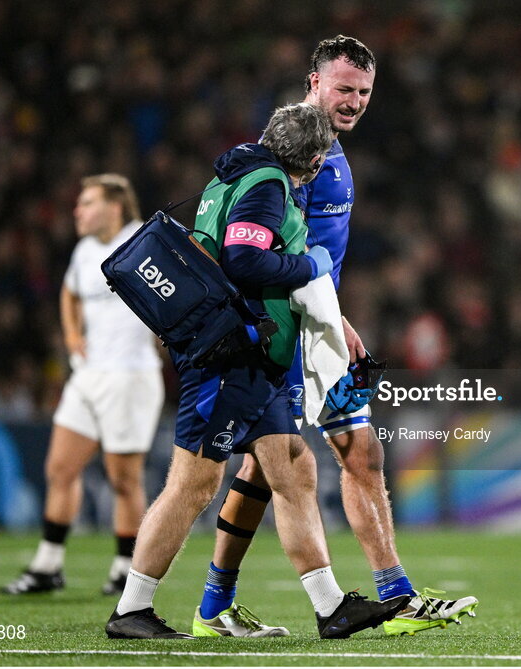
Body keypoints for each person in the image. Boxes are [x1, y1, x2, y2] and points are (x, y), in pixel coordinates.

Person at [191, 36, 477, 640]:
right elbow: (274, 252)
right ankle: (223, 603)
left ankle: (390, 595)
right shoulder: (288, 159)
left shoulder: (330, 153)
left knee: (349, 455)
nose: (354, 101)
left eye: (365, 92)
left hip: (318, 324)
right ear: (313, 82)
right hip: (288, 330)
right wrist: (316, 314)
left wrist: (336, 316)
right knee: (277, 468)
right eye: (344, 88)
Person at [105, 102, 410, 640]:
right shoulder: (268, 184)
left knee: (294, 469)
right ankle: (131, 608)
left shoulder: (235, 176)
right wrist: (310, 264)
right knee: (193, 485)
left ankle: (330, 607)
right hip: (229, 358)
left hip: (252, 357)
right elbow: (244, 260)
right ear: (314, 160)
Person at [2, 174, 163, 595]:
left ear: (115, 207)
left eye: (88, 202)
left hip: (130, 375)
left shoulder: (145, 241)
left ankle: (126, 567)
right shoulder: (85, 249)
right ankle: (48, 565)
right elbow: (69, 293)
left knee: (123, 479)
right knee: (60, 468)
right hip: (88, 375)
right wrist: (72, 335)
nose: (78, 210)